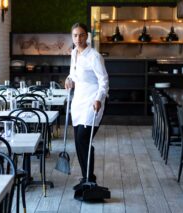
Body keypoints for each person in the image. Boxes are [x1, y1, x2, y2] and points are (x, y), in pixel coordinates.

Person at [65, 23, 109, 191]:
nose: (78, 38)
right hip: (78, 103)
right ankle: (86, 178)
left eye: (81, 35)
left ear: (87, 36)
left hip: (93, 102)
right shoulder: (74, 53)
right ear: (72, 37)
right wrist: (69, 80)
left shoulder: (94, 56)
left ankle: (90, 178)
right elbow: (73, 74)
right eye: (75, 35)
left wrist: (99, 98)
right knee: (78, 141)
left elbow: (104, 81)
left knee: (83, 139)